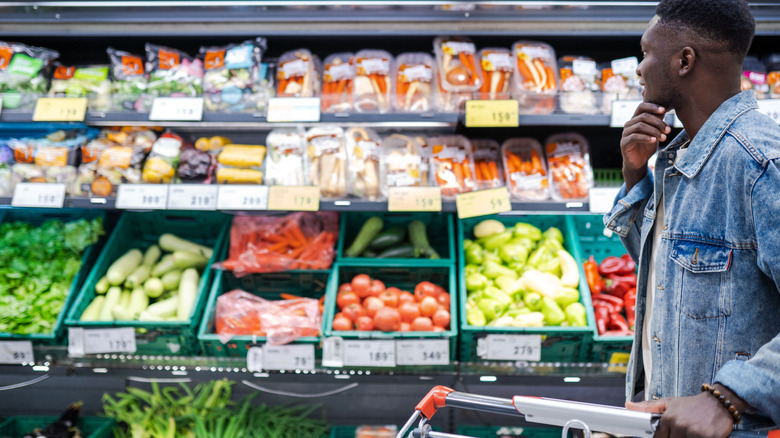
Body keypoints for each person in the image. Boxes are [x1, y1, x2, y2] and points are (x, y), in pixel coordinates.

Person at [604, 0, 780, 436]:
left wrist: (727, 397)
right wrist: (634, 177)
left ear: (684, 60)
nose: (640, 68)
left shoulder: (760, 163)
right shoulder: (680, 155)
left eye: (646, 53)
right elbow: (674, 278)